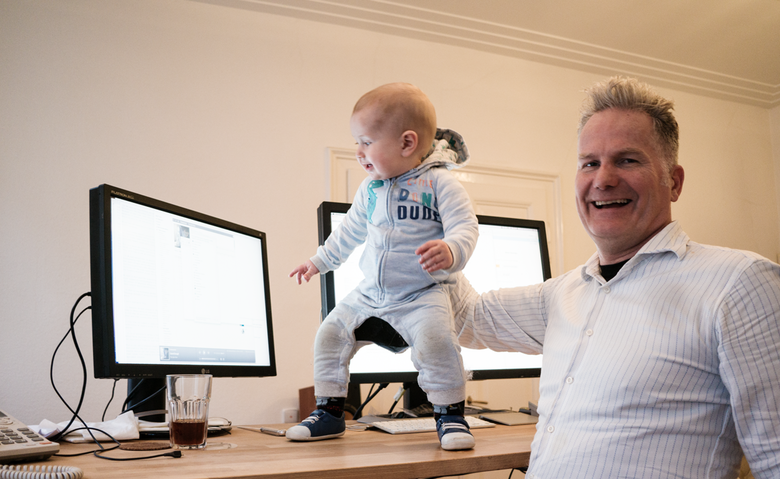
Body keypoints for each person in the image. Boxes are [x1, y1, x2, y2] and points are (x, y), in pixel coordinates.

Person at [450, 77, 780, 478]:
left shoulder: (740, 283)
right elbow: (464, 317)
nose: (602, 179)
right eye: (590, 162)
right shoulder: (561, 296)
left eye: (627, 160)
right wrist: (421, 224)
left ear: (673, 182)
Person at [288, 82, 480, 450]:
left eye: (365, 142)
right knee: (329, 333)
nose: (358, 152)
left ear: (407, 143)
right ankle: (329, 412)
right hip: (371, 293)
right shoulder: (370, 189)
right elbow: (348, 233)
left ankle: (451, 415)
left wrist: (452, 250)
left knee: (438, 341)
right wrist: (319, 262)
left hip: (422, 292)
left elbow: (465, 226)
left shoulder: (440, 183)